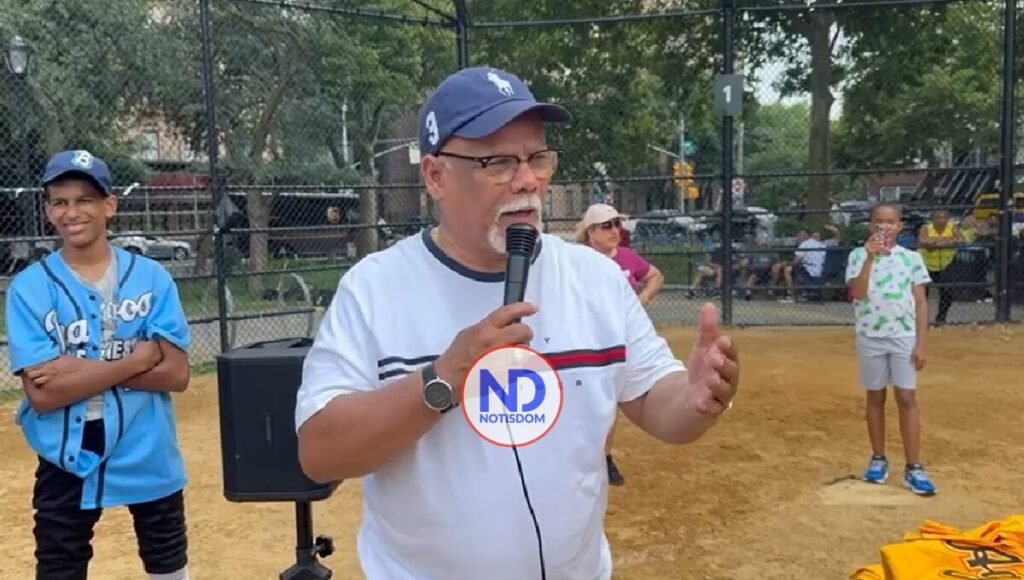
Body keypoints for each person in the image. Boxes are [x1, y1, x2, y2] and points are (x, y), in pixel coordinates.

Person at [294, 66, 740, 580]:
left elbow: (657, 402)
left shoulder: (595, 279)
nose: (528, 180)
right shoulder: (373, 289)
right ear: (437, 175)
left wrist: (698, 396)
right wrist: (440, 380)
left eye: (538, 157)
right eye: (499, 161)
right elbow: (320, 453)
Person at [4, 150, 193, 580]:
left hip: (146, 445)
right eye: (60, 201)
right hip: (64, 452)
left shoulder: (151, 278)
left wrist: (75, 370)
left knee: (167, 562)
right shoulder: (30, 288)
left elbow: (178, 374)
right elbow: (44, 396)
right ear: (48, 211)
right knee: (59, 564)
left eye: (84, 199)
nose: (72, 212)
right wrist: (139, 357)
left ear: (109, 205)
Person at [845, 202, 936, 497]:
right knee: (875, 396)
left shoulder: (910, 259)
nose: (884, 227)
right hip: (871, 335)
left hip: (903, 335)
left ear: (899, 226)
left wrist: (921, 342)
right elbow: (857, 293)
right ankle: (878, 457)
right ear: (870, 224)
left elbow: (920, 301)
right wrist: (869, 259)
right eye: (878, 221)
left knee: (907, 396)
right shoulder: (858, 256)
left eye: (890, 222)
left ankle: (914, 466)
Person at [575, 202, 666, 486]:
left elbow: (655, 276)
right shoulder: (579, 260)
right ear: (590, 232)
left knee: (610, 399)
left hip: (619, 340)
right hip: (586, 338)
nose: (615, 231)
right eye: (607, 226)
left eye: (617, 224)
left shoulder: (625, 256)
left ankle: (604, 456)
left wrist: (641, 301)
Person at [917, 209, 963, 325]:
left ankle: (941, 319)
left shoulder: (952, 227)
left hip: (946, 263)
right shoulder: (926, 228)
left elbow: (961, 240)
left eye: (944, 218)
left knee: (947, 291)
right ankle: (921, 320)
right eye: (938, 218)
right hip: (926, 263)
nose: (941, 220)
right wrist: (947, 241)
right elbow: (923, 241)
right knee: (923, 293)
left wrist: (937, 242)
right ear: (932, 220)